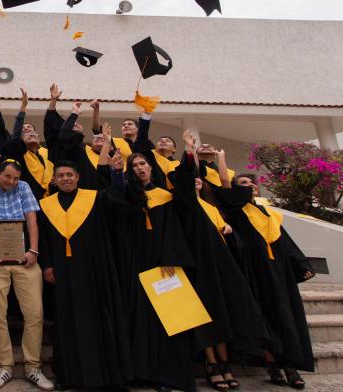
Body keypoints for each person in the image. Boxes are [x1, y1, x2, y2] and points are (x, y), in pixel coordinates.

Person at [169, 131, 271, 391]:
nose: (195, 184)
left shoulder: (214, 209)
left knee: (224, 314)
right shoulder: (184, 206)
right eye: (191, 182)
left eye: (198, 182)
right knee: (203, 315)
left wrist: (227, 229)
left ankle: (224, 364)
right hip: (200, 267)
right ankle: (211, 364)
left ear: (203, 185)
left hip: (222, 266)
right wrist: (189, 149)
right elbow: (183, 179)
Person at [37, 135, 133, 391]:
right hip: (63, 272)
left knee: (99, 319)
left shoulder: (94, 198)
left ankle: (107, 375)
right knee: (66, 322)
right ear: (54, 180)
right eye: (61, 176)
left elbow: (118, 199)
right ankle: (69, 376)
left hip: (94, 269)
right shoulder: (45, 205)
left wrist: (116, 172)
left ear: (78, 177)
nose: (66, 178)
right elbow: (43, 240)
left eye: (70, 175)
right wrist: (46, 265)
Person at [212, 153, 315, 390]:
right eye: (243, 184)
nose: (249, 187)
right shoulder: (236, 213)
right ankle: (271, 363)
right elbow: (226, 186)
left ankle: (290, 366)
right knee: (262, 317)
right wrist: (222, 159)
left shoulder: (270, 215)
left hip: (277, 274)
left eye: (251, 184)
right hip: (252, 272)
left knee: (285, 318)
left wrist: (300, 265)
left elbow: (284, 243)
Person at [110, 151, 196, 392]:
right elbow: (114, 208)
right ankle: (139, 372)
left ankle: (167, 375)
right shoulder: (128, 195)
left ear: (150, 166)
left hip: (163, 265)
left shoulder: (165, 197)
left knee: (166, 320)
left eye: (143, 163)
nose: (139, 168)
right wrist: (116, 173)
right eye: (134, 165)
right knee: (137, 318)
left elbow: (176, 228)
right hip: (134, 264)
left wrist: (170, 256)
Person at [0, 160, 52, 391]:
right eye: (8, 176)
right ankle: (4, 366)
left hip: (24, 259)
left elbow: (32, 220)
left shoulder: (24, 187)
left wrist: (34, 250)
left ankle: (33, 367)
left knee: (35, 314)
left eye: (15, 178)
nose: (11, 181)